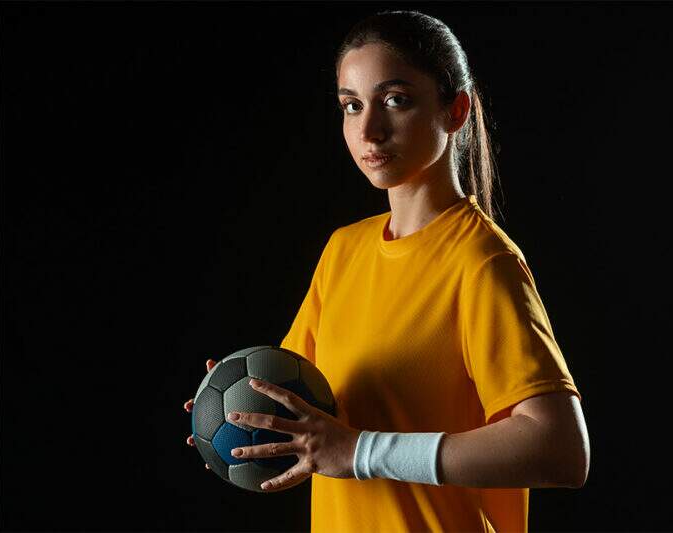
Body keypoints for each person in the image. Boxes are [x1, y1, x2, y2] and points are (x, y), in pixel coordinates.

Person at [185, 10, 590, 532]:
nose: (369, 129)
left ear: (456, 111)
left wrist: (360, 452)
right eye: (352, 106)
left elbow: (559, 450)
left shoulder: (481, 261)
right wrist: (233, 416)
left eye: (395, 100)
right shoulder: (343, 251)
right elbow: (311, 423)